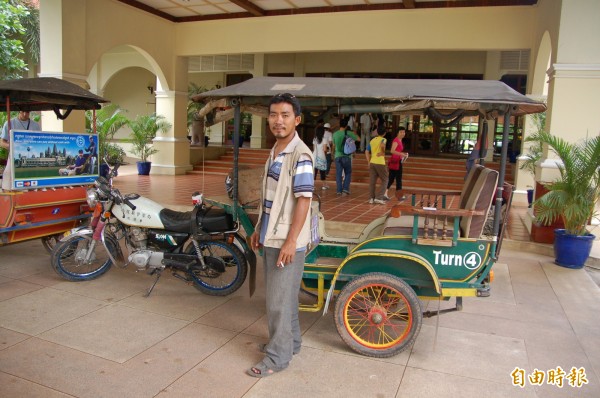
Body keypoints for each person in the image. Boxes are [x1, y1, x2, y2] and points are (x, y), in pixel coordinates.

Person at [248, 93, 314, 378]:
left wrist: (290, 241)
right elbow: (270, 199)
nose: (278, 120)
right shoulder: (276, 150)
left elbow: (304, 199)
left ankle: (277, 358)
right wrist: (258, 228)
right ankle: (291, 343)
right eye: (274, 115)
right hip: (271, 234)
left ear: (296, 120)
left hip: (287, 240)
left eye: (285, 115)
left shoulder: (301, 155)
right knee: (285, 298)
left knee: (276, 301)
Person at [1, 110, 42, 190]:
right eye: (22, 111)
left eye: (27, 112)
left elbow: (39, 142)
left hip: (31, 159)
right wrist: (12, 146)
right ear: (18, 111)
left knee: (32, 185)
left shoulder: (36, 125)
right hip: (14, 158)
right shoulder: (9, 123)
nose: (24, 114)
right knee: (8, 184)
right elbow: (2, 142)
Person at [332, 118, 360, 196]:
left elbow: (333, 146)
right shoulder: (349, 133)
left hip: (337, 156)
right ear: (346, 125)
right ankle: (345, 189)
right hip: (347, 156)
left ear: (339, 124)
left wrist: (332, 154)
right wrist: (354, 133)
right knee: (348, 173)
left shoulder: (335, 134)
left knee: (338, 174)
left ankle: (338, 190)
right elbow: (359, 139)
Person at [365, 125, 388, 204]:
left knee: (372, 181)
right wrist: (382, 152)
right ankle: (379, 197)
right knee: (385, 180)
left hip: (372, 162)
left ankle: (371, 198)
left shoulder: (372, 140)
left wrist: (368, 161)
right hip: (380, 162)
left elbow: (367, 151)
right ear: (385, 133)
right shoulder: (384, 139)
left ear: (377, 132)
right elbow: (382, 145)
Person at [385, 126, 408, 200]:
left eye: (404, 132)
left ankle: (384, 193)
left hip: (397, 161)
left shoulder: (400, 140)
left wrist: (403, 154)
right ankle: (399, 196)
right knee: (398, 179)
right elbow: (392, 151)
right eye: (401, 132)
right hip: (396, 162)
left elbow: (397, 151)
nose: (403, 133)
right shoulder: (396, 140)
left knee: (391, 179)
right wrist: (401, 154)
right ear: (397, 133)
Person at [312, 125, 329, 189]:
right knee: (322, 172)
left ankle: (312, 185)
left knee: (314, 172)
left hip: (315, 157)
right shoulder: (324, 139)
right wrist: (327, 151)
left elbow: (314, 149)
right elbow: (325, 149)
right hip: (322, 157)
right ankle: (324, 185)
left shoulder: (314, 139)